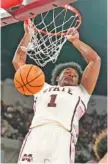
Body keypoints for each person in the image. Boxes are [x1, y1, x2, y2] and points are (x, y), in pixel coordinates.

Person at [12, 20, 101, 163]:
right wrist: (28, 35)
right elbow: (18, 62)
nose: (71, 74)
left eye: (75, 75)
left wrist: (76, 41)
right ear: (58, 77)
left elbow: (95, 60)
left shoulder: (81, 91)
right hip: (36, 133)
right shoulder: (41, 87)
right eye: (67, 71)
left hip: (63, 137)